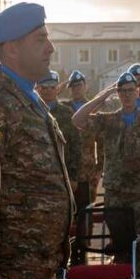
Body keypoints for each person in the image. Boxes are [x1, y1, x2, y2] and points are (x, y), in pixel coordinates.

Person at [0, 2, 74, 279]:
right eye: (41, 39)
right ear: (12, 48)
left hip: (38, 266)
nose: (50, 48)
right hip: (12, 272)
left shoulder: (31, 100)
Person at [72, 72, 140, 279]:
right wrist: (102, 96)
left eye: (129, 90)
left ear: (138, 91)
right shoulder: (109, 120)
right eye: (121, 91)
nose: (126, 95)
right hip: (115, 195)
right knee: (120, 246)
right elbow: (78, 120)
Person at [61, 70, 103, 264]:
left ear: (85, 86)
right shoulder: (64, 109)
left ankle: (82, 252)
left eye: (79, 85)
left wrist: (100, 167)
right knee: (69, 213)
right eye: (73, 87)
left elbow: (101, 141)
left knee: (85, 213)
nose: (76, 89)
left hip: (87, 170)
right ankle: (68, 252)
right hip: (68, 169)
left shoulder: (94, 108)